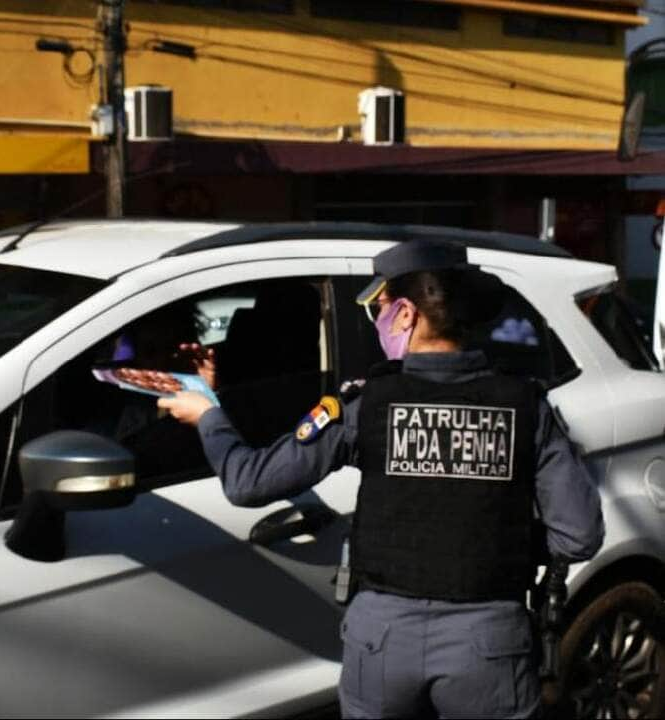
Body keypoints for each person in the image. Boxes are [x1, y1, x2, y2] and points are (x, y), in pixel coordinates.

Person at [158, 239, 604, 719]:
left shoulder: (366, 404)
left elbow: (248, 482)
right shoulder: (526, 405)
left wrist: (208, 412)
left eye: (382, 307)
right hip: (489, 641)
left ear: (408, 314)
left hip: (384, 640)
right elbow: (579, 535)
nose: (379, 321)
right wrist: (497, 541)